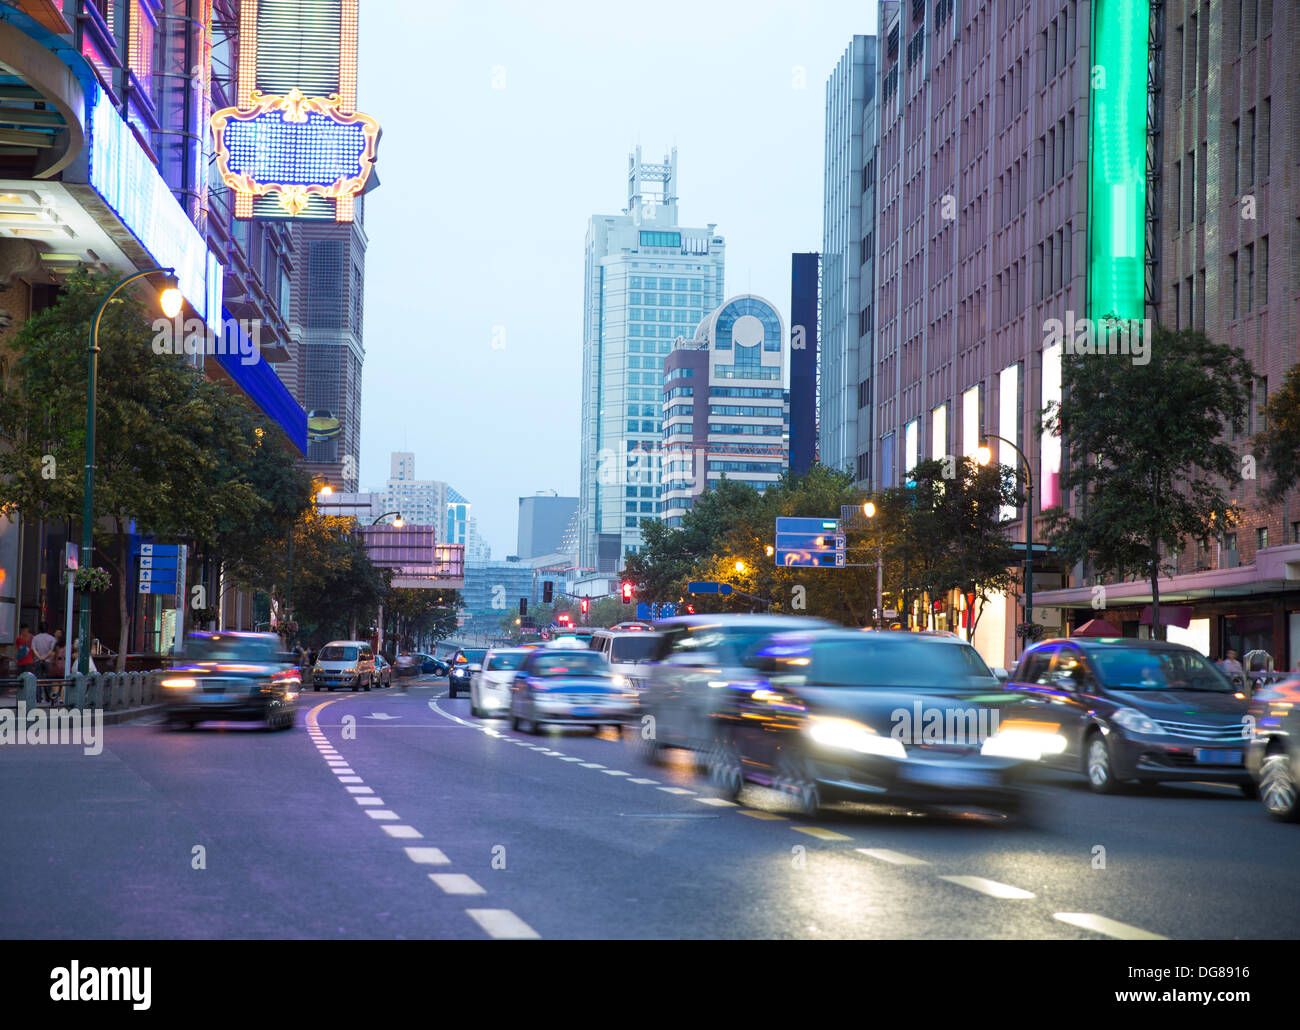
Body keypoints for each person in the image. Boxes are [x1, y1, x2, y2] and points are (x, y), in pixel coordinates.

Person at [31, 622, 56, 700]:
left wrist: (40, 657)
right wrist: (45, 657)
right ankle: (48, 697)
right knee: (48, 680)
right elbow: (52, 650)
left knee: (38, 679)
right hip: (48, 661)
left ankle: (38, 697)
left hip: (38, 661)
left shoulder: (35, 638)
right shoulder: (51, 638)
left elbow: (34, 649)